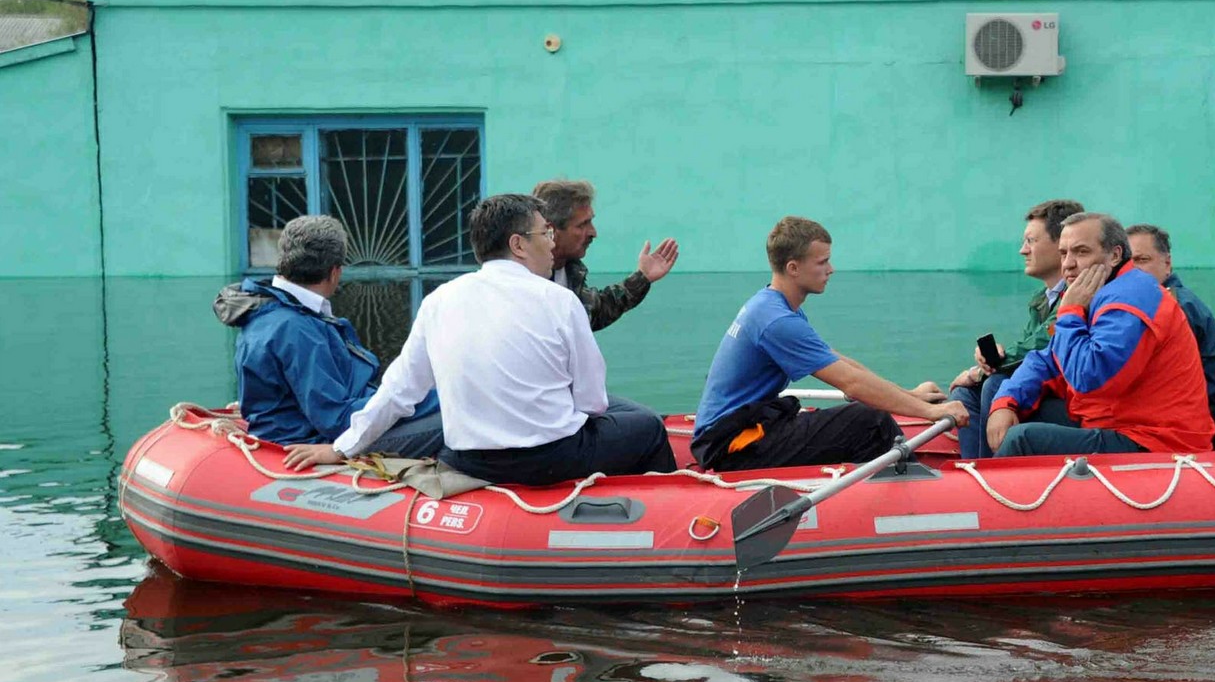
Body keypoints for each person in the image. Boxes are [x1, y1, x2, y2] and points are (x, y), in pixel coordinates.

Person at [283, 194, 676, 483]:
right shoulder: (559, 300)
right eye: (545, 233)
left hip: (468, 460)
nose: (552, 242)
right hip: (550, 459)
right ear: (518, 244)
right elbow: (592, 402)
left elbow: (399, 391)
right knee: (648, 427)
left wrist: (341, 448)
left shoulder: (438, 301)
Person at [691, 216, 968, 472]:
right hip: (732, 444)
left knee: (865, 417)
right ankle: (913, 496)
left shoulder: (774, 306)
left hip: (744, 428)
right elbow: (851, 383)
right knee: (871, 422)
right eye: (822, 262)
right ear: (793, 268)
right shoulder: (776, 321)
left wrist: (909, 395)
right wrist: (931, 411)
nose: (831, 269)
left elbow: (844, 364)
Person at [213, 215, 444, 458]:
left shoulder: (269, 312)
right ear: (335, 272)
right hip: (313, 441)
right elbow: (337, 419)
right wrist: (434, 396)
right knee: (453, 414)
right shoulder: (296, 329)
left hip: (312, 425)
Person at [986, 213, 1214, 458]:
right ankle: (972, 472)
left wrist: (1070, 312)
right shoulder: (1096, 292)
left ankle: (984, 481)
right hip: (1112, 421)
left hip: (1156, 441)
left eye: (1081, 252)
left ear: (1115, 255)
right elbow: (1048, 359)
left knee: (1022, 439)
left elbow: (1089, 378)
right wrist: (1005, 403)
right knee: (996, 389)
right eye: (1063, 253)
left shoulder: (1130, 298)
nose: (1068, 264)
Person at [946, 198, 1083, 458]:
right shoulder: (1043, 299)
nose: (1023, 250)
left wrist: (980, 372)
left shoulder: (1079, 295)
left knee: (995, 384)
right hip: (1049, 389)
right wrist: (991, 364)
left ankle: (994, 472)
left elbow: (1041, 347)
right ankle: (975, 469)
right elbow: (1032, 352)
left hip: (1075, 401)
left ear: (1061, 244)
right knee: (965, 394)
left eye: (1031, 241)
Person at [1125, 223, 1215, 439]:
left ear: (1167, 264)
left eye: (1142, 260)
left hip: (1189, 429)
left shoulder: (1175, 308)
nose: (1133, 269)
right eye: (1128, 262)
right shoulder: (1154, 302)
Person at [531, 178, 680, 331]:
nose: (593, 233)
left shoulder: (570, 269)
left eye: (590, 222)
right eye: (582, 225)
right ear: (551, 230)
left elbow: (594, 312)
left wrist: (643, 277)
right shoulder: (523, 277)